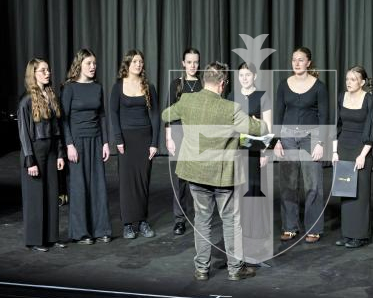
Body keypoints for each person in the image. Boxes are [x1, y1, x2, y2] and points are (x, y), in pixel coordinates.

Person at [161, 61, 268, 281]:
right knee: (230, 221)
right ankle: (235, 269)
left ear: (204, 80)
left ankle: (201, 269)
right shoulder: (231, 108)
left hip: (196, 172)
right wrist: (259, 122)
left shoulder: (187, 100)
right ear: (221, 83)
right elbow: (259, 129)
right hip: (222, 176)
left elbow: (165, 115)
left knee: (202, 220)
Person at [273, 47, 328, 244]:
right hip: (287, 138)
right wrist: (276, 140)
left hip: (310, 138)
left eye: (301, 60)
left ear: (308, 63)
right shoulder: (283, 85)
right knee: (288, 184)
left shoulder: (319, 87)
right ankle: (290, 226)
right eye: (294, 59)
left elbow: (324, 116)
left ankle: (314, 228)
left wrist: (321, 143)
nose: (296, 63)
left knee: (313, 185)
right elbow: (278, 114)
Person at [62, 48, 112, 245]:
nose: (93, 67)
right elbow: (64, 119)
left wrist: (105, 142)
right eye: (89, 63)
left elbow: (101, 116)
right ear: (80, 65)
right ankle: (81, 232)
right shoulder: (69, 88)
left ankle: (101, 230)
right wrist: (69, 144)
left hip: (96, 140)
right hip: (77, 142)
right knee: (79, 187)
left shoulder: (97, 87)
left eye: (94, 64)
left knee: (98, 186)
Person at [110, 49, 160, 239]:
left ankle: (142, 221)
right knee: (126, 182)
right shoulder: (118, 87)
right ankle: (128, 224)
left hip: (145, 138)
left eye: (141, 62)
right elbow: (113, 114)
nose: (138, 65)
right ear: (128, 65)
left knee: (142, 181)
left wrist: (155, 143)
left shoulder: (149, 86)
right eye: (135, 62)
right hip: (126, 139)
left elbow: (155, 116)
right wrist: (118, 139)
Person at [17, 58, 66, 252]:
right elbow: (23, 133)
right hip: (35, 151)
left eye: (48, 70)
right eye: (43, 70)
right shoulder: (26, 100)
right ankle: (36, 239)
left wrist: (61, 153)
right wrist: (30, 160)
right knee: (35, 196)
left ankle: (52, 237)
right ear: (34, 74)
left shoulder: (51, 95)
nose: (48, 73)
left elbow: (58, 128)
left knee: (52, 193)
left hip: (52, 149)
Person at [228, 62, 273, 263]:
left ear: (254, 76)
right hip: (236, 151)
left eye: (248, 75)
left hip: (255, 152)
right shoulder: (231, 97)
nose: (244, 78)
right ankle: (239, 233)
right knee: (237, 192)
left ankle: (256, 237)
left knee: (254, 192)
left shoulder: (263, 97)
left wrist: (265, 152)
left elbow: (268, 127)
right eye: (241, 75)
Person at [332, 66, 373, 248]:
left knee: (360, 193)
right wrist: (335, 151)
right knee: (346, 191)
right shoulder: (341, 97)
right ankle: (347, 234)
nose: (349, 82)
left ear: (362, 82)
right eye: (347, 79)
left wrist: (363, 155)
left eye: (353, 79)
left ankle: (360, 235)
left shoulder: (368, 100)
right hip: (344, 148)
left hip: (361, 150)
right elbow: (337, 126)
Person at [166, 48, 202, 236]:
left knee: (198, 179)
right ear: (183, 63)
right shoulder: (176, 84)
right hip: (179, 135)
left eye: (195, 62)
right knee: (179, 179)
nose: (192, 66)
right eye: (189, 62)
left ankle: (200, 218)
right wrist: (169, 137)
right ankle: (180, 220)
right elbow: (170, 113)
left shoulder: (204, 84)